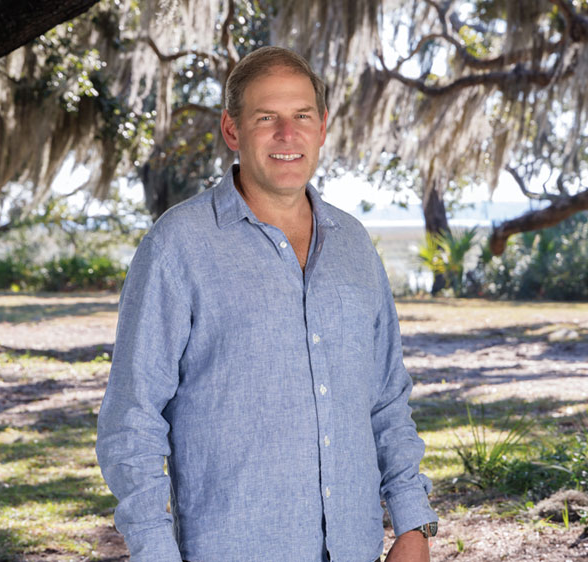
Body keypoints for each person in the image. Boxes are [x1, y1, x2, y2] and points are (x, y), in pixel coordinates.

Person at [96, 46, 438, 562]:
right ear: (232, 130)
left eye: (301, 116)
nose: (287, 134)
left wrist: (413, 525)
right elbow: (132, 421)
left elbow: (387, 397)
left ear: (322, 126)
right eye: (266, 118)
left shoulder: (354, 244)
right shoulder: (177, 246)